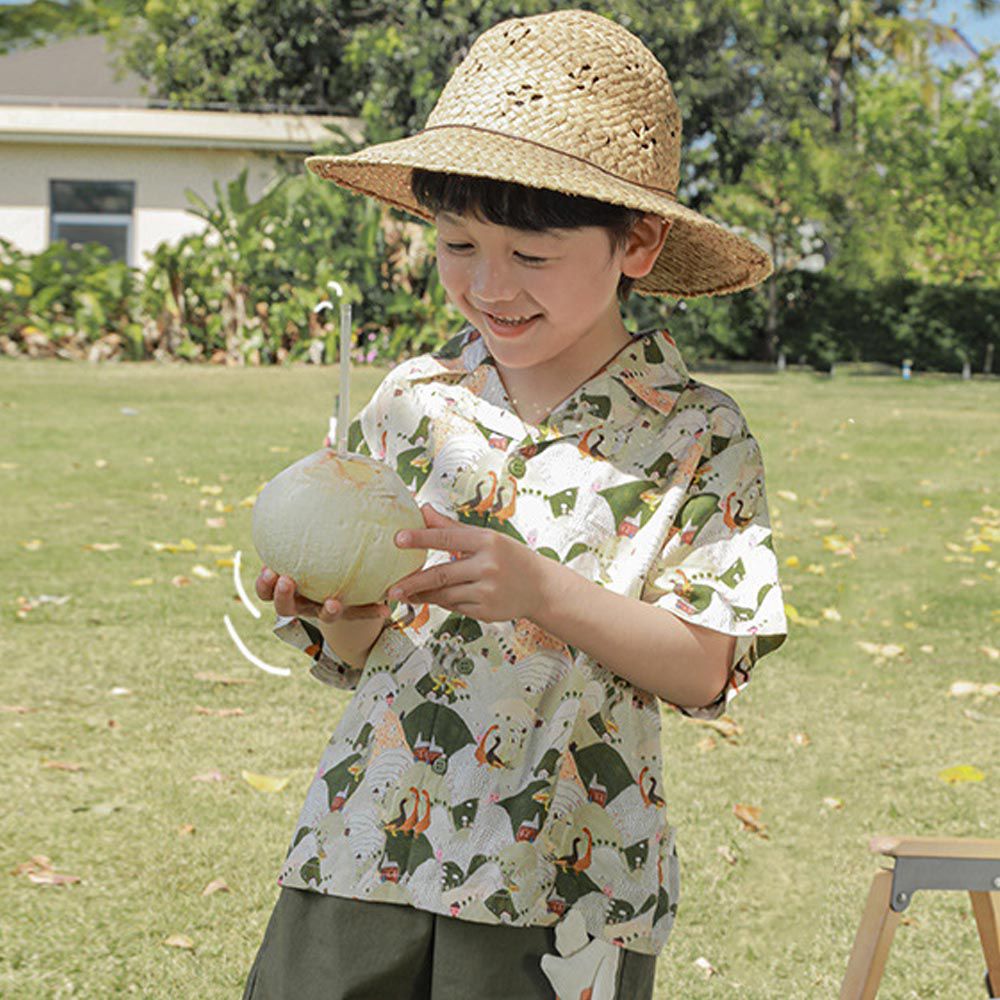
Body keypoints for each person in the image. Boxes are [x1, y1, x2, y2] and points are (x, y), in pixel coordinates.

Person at [244, 9, 788, 999]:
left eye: (531, 256)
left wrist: (539, 586)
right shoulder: (415, 404)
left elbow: (706, 668)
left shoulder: (695, 435)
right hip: (366, 843)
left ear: (639, 242)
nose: (490, 287)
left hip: (564, 879)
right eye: (458, 244)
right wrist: (337, 610)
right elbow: (384, 649)